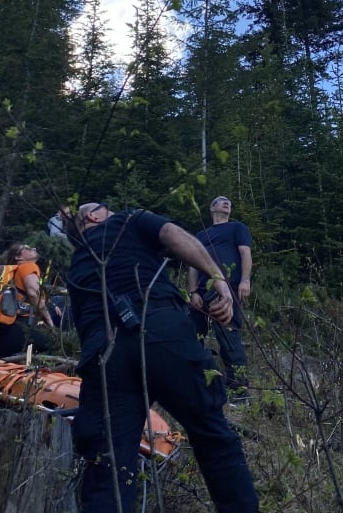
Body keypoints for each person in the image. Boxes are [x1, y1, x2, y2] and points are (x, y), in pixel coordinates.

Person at [67, 201, 259, 513]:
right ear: (92, 215)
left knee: (109, 468)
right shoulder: (129, 219)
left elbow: (81, 324)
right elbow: (172, 234)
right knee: (212, 435)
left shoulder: (76, 263)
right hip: (159, 328)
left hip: (103, 354)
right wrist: (218, 278)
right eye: (106, 208)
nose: (112, 211)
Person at [188, 195, 253, 403]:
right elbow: (192, 264)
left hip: (228, 288)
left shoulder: (236, 228)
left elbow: (245, 254)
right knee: (193, 335)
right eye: (221, 200)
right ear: (211, 207)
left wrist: (245, 280)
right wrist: (193, 292)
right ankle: (196, 381)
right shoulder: (201, 234)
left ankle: (239, 391)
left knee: (228, 336)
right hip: (202, 290)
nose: (227, 203)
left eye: (229, 202)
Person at [0, 242, 55, 358]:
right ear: (19, 257)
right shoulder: (28, 266)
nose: (34, 248)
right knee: (56, 341)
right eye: (28, 248)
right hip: (23, 332)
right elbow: (34, 293)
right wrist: (50, 324)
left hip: (2, 336)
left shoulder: (11, 274)